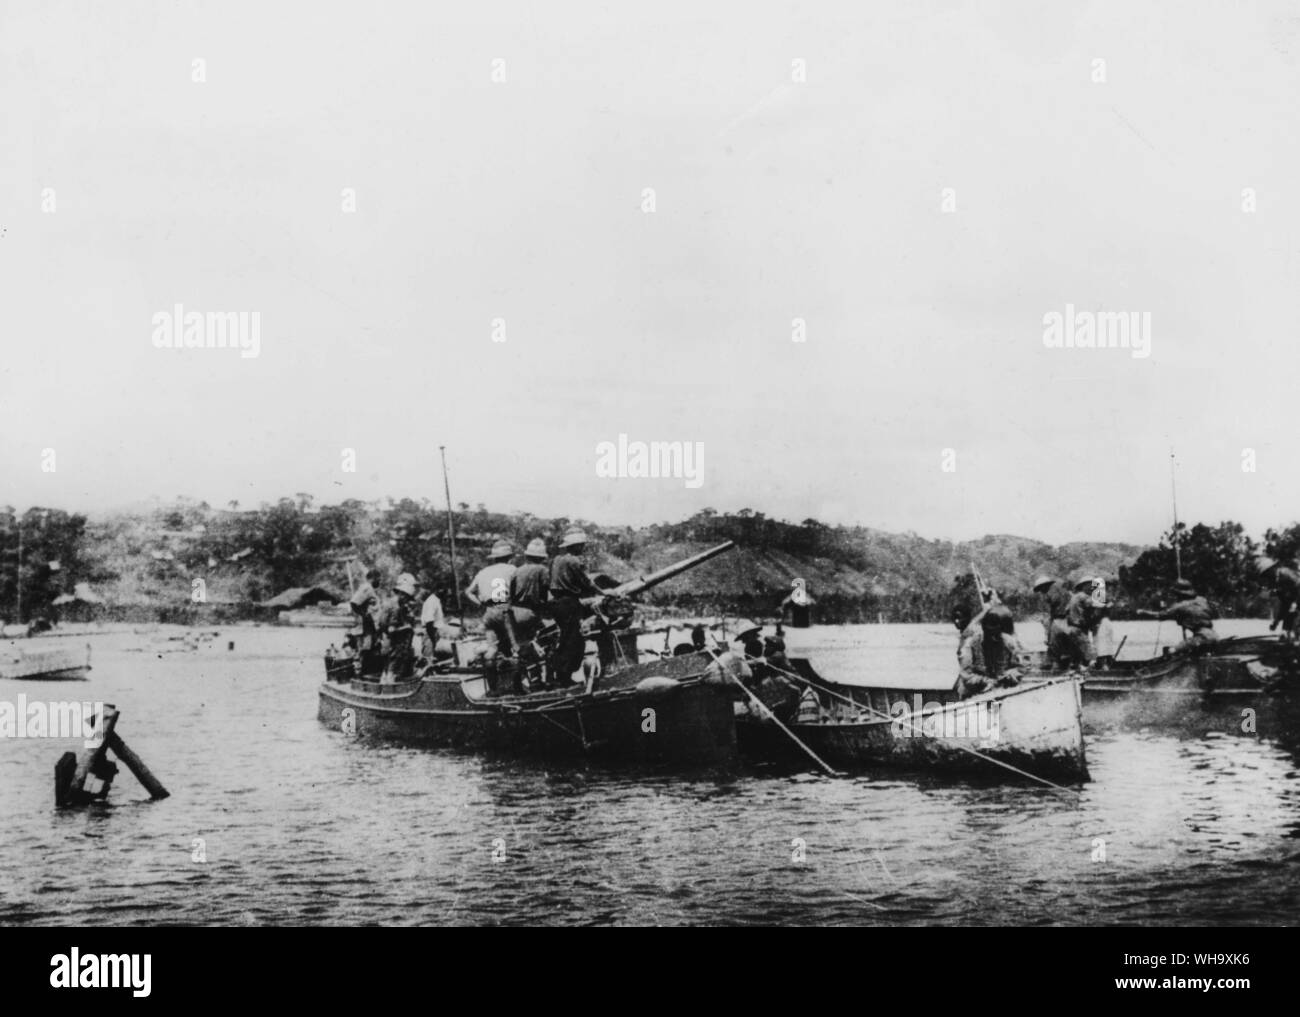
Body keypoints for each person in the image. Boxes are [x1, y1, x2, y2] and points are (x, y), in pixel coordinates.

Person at [548, 530, 602, 684]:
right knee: (574, 640)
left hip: (557, 604)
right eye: (581, 545)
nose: (583, 548)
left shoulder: (556, 560)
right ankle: (564, 677)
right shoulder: (574, 562)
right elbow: (586, 582)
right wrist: (604, 592)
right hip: (569, 603)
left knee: (565, 638)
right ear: (576, 546)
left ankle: (559, 675)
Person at [465, 541, 517, 660]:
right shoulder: (512, 569)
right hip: (505, 610)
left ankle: (492, 678)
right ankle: (515, 676)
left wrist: (481, 603)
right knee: (515, 647)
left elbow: (468, 592)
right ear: (509, 557)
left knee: (492, 649)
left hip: (489, 612)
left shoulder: (483, 572)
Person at [1136, 578, 1218, 653]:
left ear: (1178, 594)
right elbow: (1213, 611)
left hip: (1201, 638)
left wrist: (1143, 612)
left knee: (1171, 651)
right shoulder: (1202, 600)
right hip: (1214, 636)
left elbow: (1161, 615)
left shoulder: (1179, 606)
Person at [509, 539, 550, 654]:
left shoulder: (517, 571)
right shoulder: (543, 570)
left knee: (521, 643)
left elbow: (510, 593)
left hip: (514, 613)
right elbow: (549, 591)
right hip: (531, 613)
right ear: (541, 558)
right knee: (547, 637)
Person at [377, 573, 419, 680]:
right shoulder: (395, 608)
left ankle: (385, 685)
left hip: (388, 643)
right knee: (391, 670)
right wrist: (408, 627)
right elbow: (391, 630)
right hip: (393, 644)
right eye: (406, 596)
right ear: (402, 594)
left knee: (387, 670)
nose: (407, 599)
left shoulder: (392, 603)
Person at [1033, 574, 1075, 669]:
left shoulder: (1051, 594)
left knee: (1054, 643)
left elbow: (1051, 612)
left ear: (1044, 586)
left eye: (1041, 589)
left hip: (1060, 619)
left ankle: (1055, 663)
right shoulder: (1063, 591)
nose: (1041, 591)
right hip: (1068, 620)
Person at [350, 568, 384, 677]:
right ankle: (361, 674)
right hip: (366, 626)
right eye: (378, 579)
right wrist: (364, 615)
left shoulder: (371, 589)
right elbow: (354, 603)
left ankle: (368, 673)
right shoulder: (367, 588)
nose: (379, 582)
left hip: (371, 626)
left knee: (371, 648)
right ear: (372, 578)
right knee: (365, 648)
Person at [1257, 557, 1300, 641]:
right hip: (1292, 599)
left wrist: (1295, 603)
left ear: (1272, 569)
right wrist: (1276, 622)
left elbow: (1299, 585)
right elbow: (1284, 605)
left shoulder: (1285, 573)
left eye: (1267, 573)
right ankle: (1288, 632)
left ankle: (1293, 632)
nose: (1267, 577)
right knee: (1290, 610)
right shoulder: (1275, 581)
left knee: (1293, 610)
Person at [420, 584, 452, 663]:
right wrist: (432, 638)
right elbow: (429, 622)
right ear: (438, 590)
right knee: (428, 658)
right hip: (430, 632)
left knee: (433, 658)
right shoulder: (432, 601)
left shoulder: (436, 600)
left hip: (433, 631)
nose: (445, 595)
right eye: (444, 592)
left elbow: (439, 613)